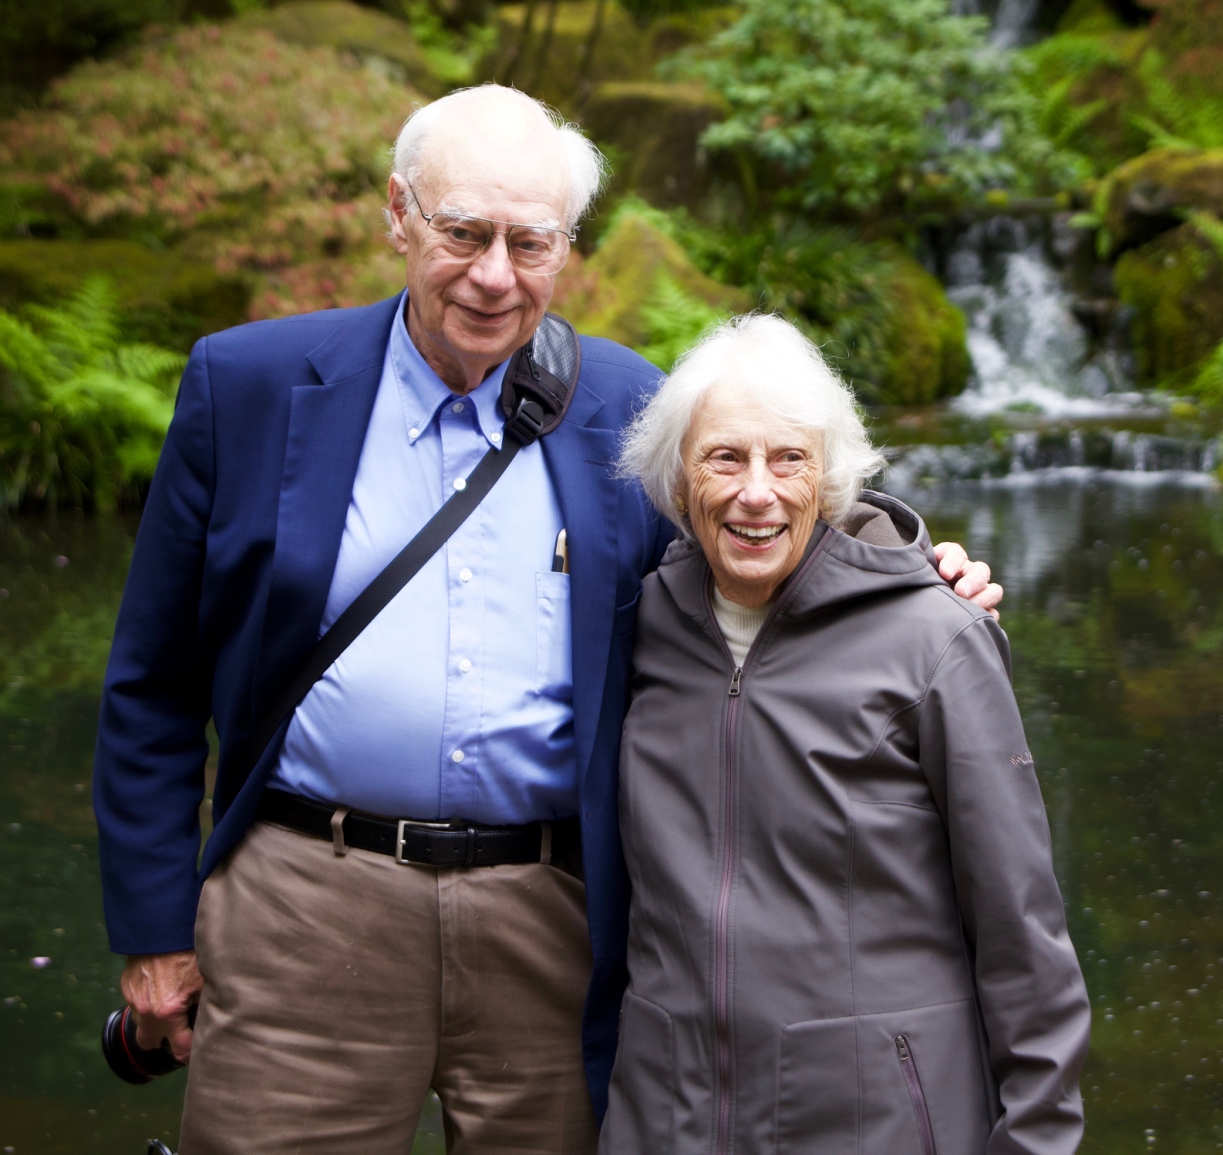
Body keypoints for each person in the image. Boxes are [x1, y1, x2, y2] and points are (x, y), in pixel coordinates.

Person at [93, 84, 1000, 1152]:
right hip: (304, 899)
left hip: (553, 912)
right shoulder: (247, 386)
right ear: (399, 214)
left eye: (529, 243)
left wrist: (906, 572)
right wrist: (155, 933)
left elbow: (758, 553)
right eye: (462, 233)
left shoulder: (627, 405)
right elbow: (152, 686)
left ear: (566, 248)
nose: (492, 275)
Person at [601, 313, 1090, 1155]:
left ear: (829, 478)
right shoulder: (636, 626)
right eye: (726, 456)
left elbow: (1022, 932)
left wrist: (1037, 1138)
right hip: (669, 1118)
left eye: (788, 457)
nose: (759, 490)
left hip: (873, 1122)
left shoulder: (934, 639)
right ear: (679, 479)